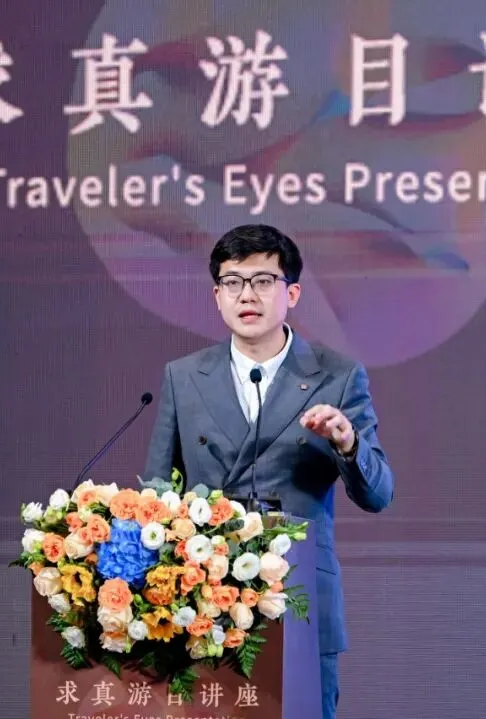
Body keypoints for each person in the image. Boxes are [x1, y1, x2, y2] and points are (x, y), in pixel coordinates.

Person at [141, 224, 395, 719]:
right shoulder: (184, 376)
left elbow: (379, 494)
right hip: (202, 599)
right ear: (217, 296)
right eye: (232, 282)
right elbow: (156, 492)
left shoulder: (336, 375)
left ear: (292, 293)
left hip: (298, 596)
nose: (247, 295)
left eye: (262, 281)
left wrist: (348, 442)